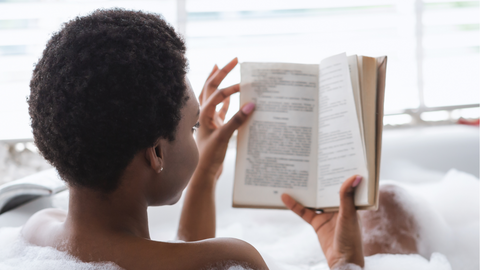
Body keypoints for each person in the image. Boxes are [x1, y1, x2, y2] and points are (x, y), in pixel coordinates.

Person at [21, 9, 419, 270]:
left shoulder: (39, 232)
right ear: (157, 153)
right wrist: (345, 260)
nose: (197, 137)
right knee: (393, 207)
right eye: (192, 129)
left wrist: (207, 171)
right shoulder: (234, 260)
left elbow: (175, 254)